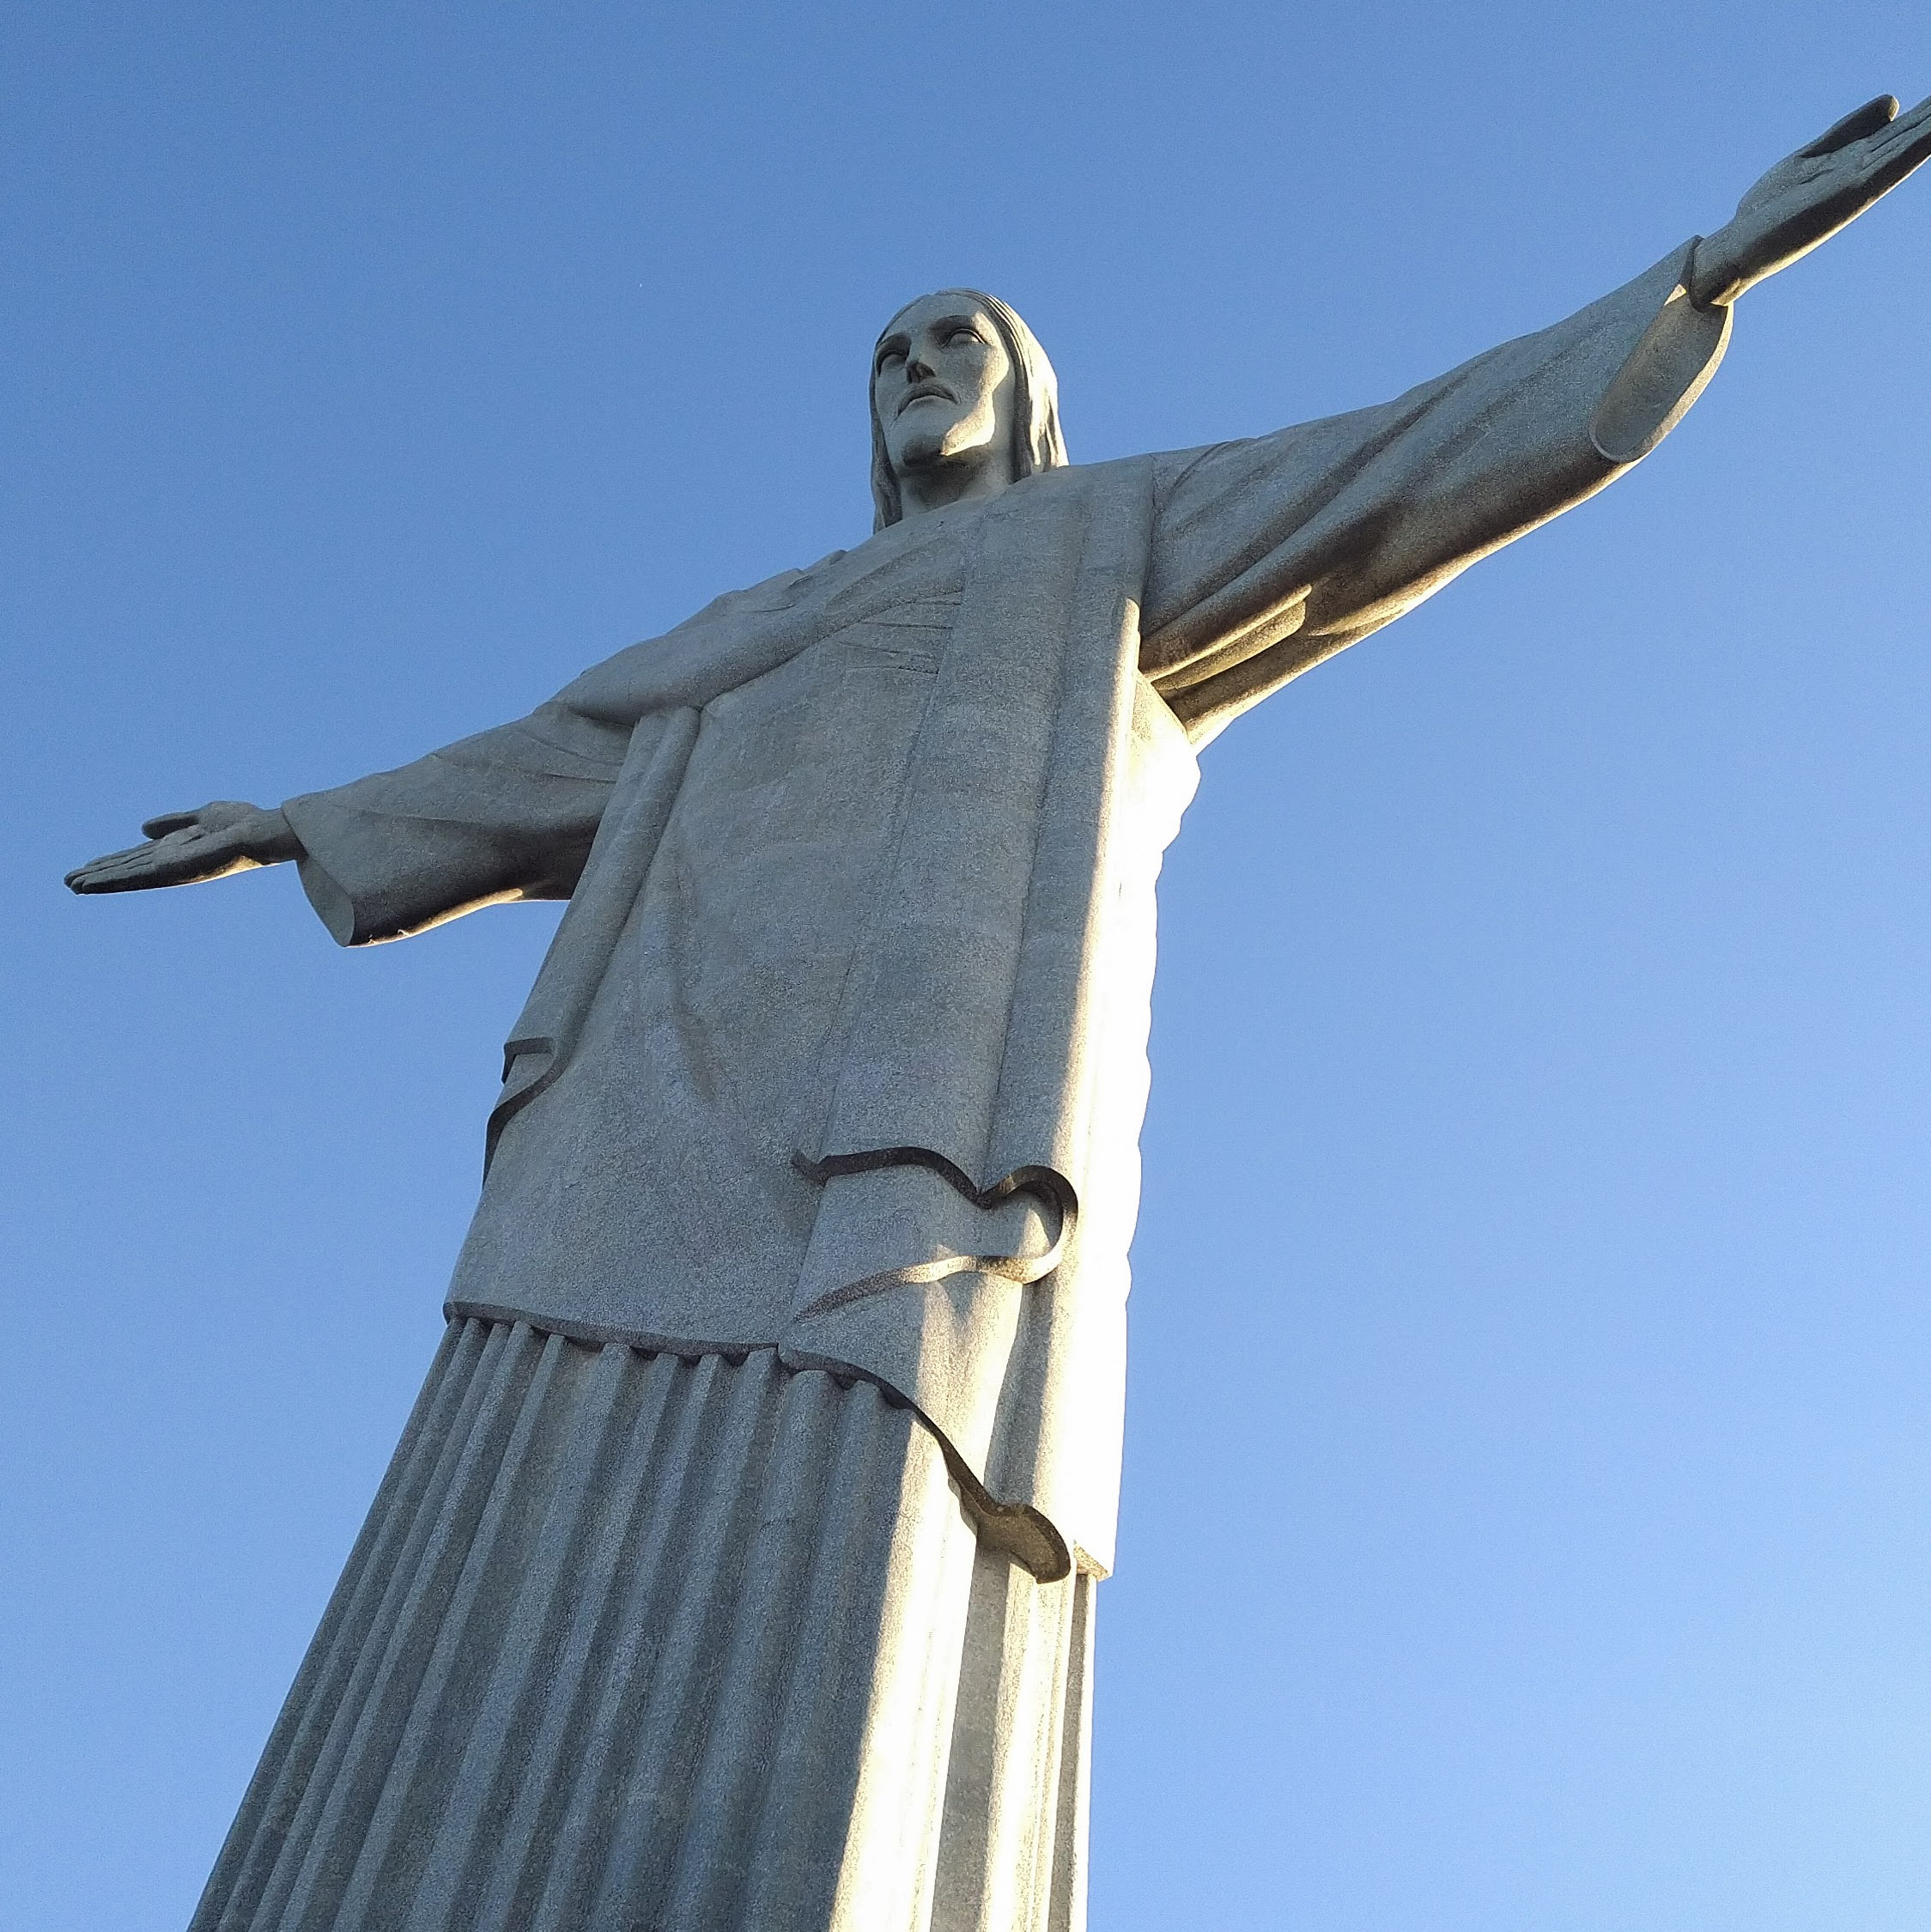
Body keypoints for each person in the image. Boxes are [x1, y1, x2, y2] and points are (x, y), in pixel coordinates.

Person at [67, 94, 1931, 1932]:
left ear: (1030, 398)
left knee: (852, 1479)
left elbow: (1401, 468)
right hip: (642, 1107)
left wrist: (1693, 281)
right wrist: (296, 821)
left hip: (905, 1127)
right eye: (887, 348)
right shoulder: (763, 610)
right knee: (511, 1495)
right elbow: (555, 756)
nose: (915, 362)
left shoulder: (1111, 539)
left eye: (958, 338)